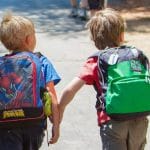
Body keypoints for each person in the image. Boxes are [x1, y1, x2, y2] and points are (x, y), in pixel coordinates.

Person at [59, 8, 149, 150]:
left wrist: (60, 107)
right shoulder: (136, 55)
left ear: (95, 39)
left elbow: (71, 89)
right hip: (140, 119)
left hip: (112, 121)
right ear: (121, 35)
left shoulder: (97, 60)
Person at [0, 14, 60, 150]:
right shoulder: (41, 60)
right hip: (34, 123)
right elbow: (51, 97)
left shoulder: (1, 64)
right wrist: (56, 125)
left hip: (5, 125)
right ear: (28, 39)